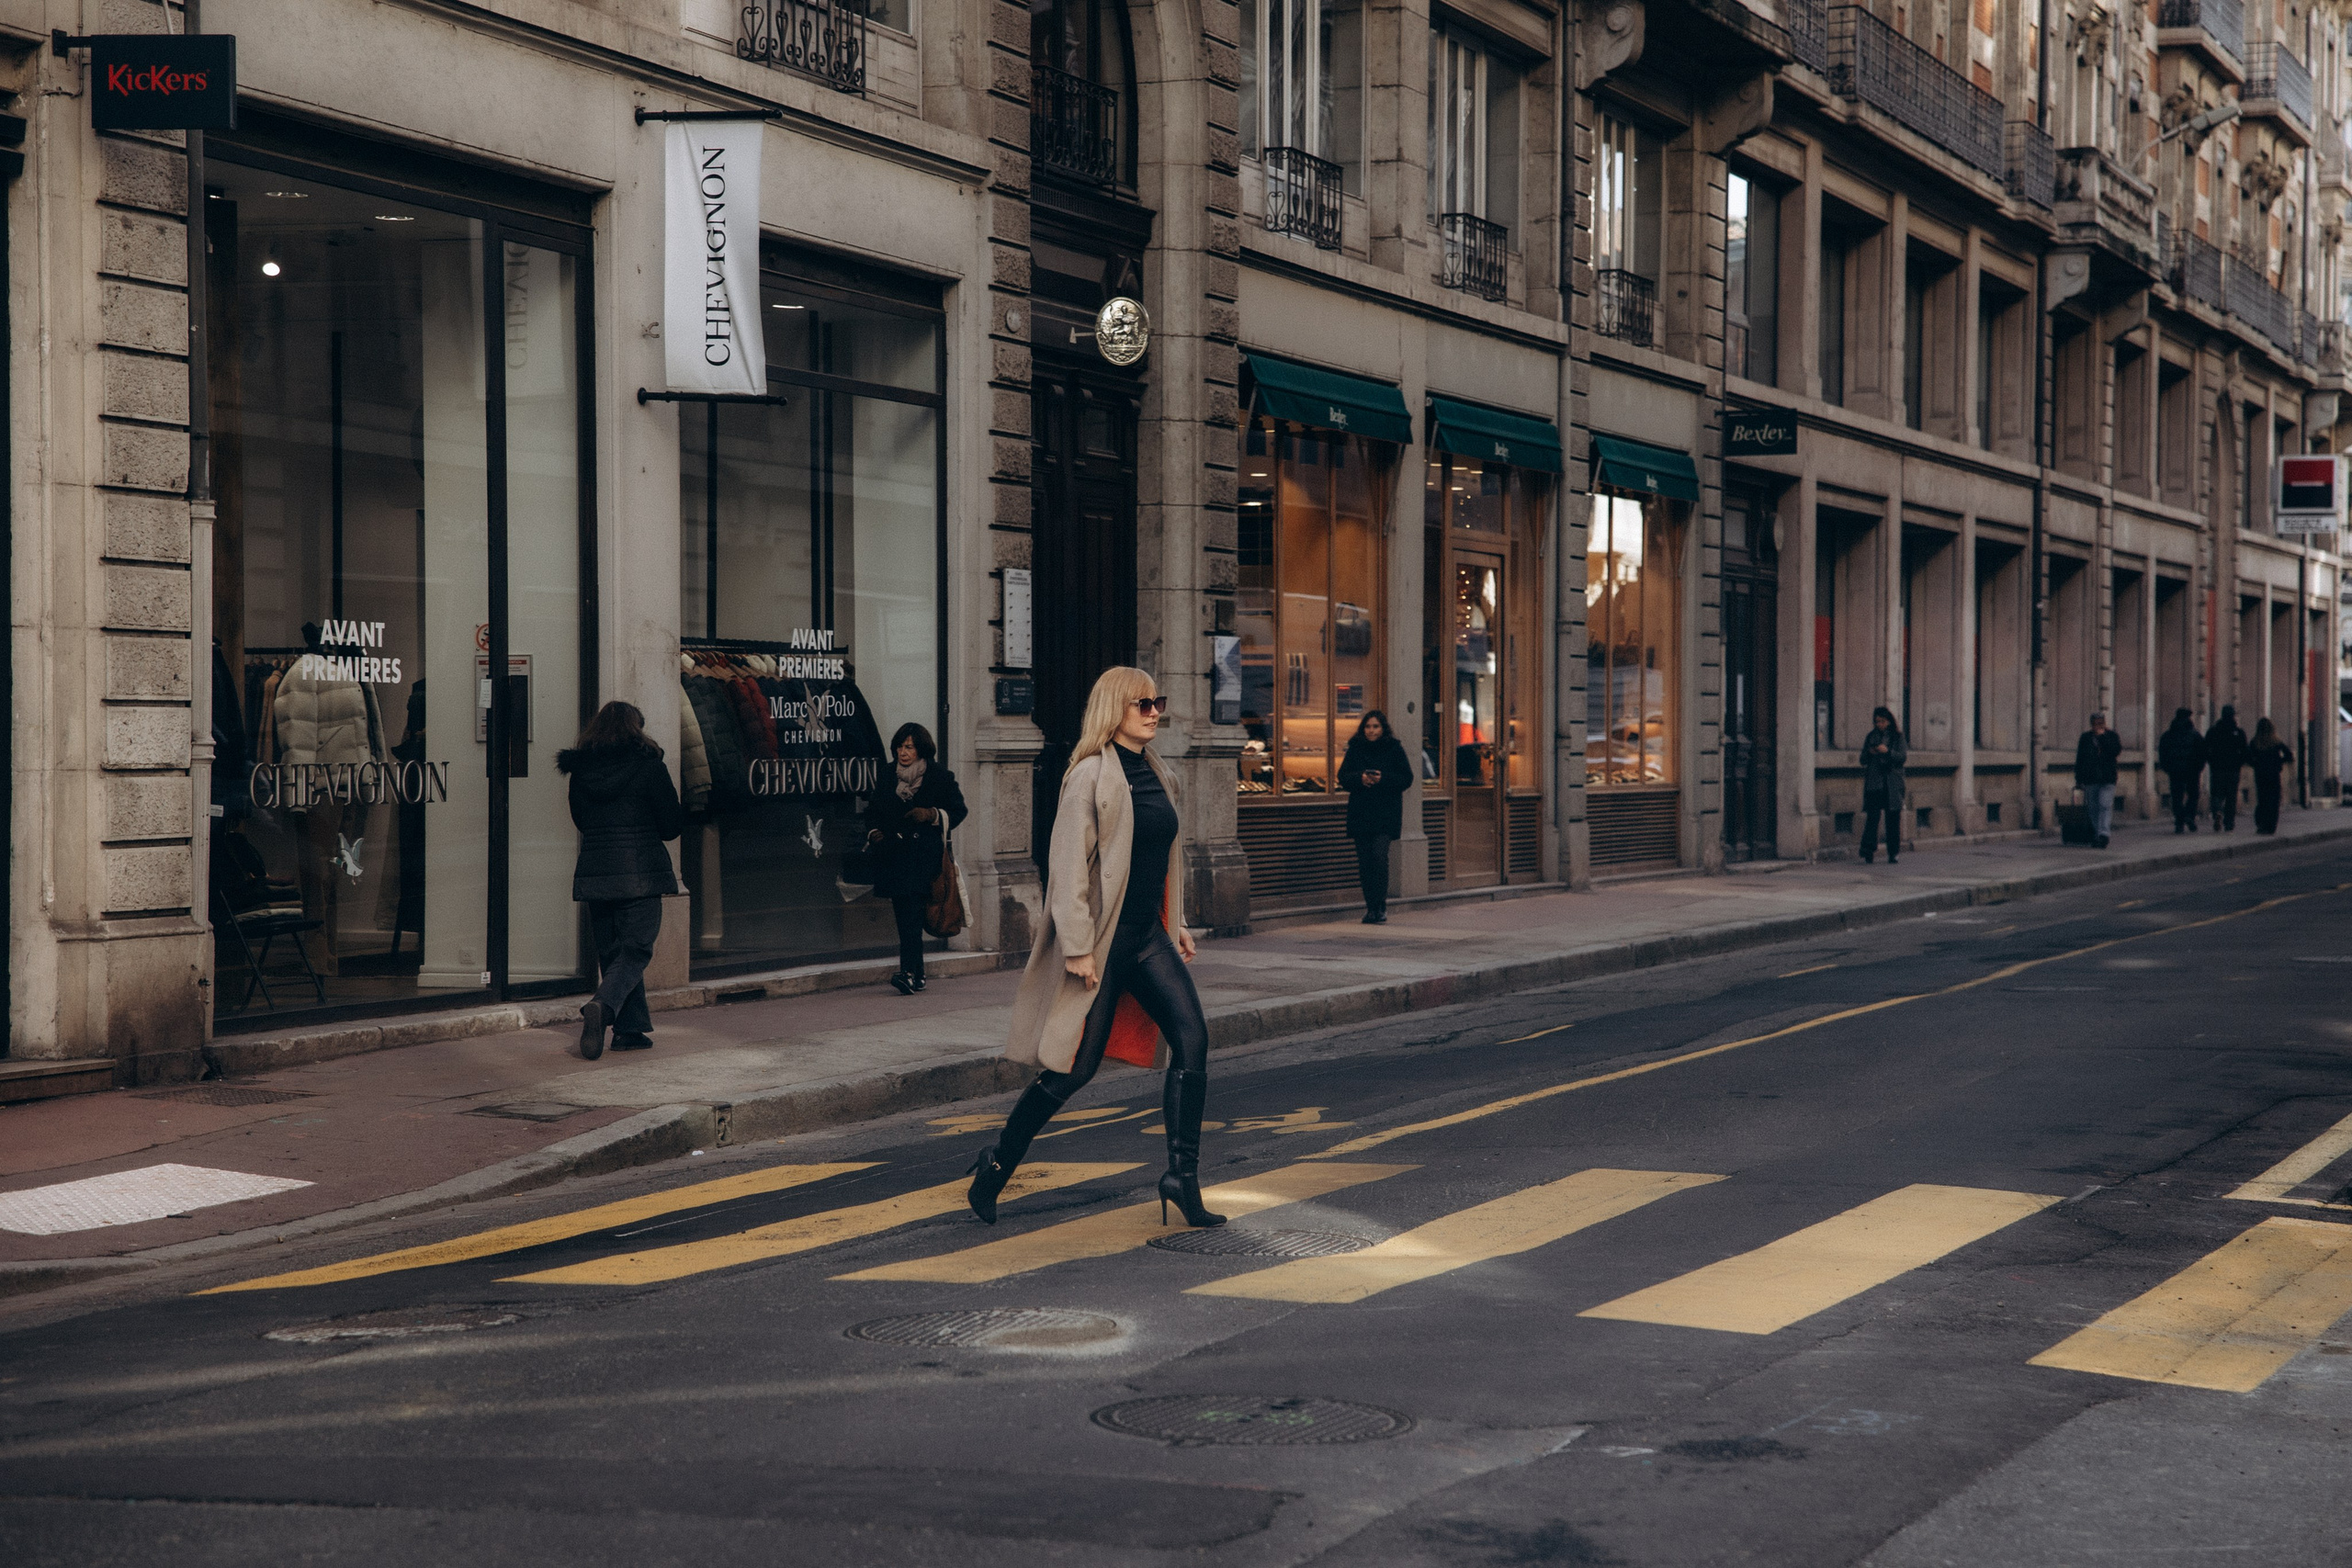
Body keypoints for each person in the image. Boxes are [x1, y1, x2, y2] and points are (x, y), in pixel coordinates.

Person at [975, 667, 1225, 1230]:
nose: (1155, 711)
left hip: (1148, 937)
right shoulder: (1089, 776)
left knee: (1192, 1041)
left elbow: (1163, 856)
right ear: (1115, 709)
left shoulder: (1156, 772)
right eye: (1143, 704)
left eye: (1157, 701)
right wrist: (1078, 947)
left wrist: (1176, 919)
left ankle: (1181, 1178)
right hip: (1105, 945)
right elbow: (1066, 868)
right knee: (1073, 1069)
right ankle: (995, 1163)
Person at [560, 701, 685, 1059]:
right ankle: (603, 1005)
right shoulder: (648, 766)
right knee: (635, 951)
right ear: (636, 728)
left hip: (597, 873)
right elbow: (671, 826)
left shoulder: (581, 771)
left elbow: (581, 820)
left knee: (614, 953)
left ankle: (629, 1031)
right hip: (641, 873)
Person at [864, 722, 967, 996]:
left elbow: (959, 810)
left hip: (924, 858)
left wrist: (932, 814)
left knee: (911, 916)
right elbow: (872, 810)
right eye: (899, 746)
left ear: (921, 749)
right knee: (905, 918)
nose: (903, 752)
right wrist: (874, 833)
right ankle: (917, 975)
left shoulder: (939, 776)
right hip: (894, 856)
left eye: (909, 746)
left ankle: (909, 973)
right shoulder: (887, 775)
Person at [1338, 710, 1411, 924]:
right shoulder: (1356, 747)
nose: (1371, 731)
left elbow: (1406, 778)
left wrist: (1383, 779)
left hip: (1385, 813)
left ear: (1383, 728)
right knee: (1364, 861)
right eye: (1368, 727)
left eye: (1375, 727)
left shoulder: (1394, 748)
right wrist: (1360, 778)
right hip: (1361, 812)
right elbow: (1343, 776)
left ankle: (1380, 906)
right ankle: (1370, 907)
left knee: (1379, 858)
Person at [1858, 706, 1906, 864]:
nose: (1879, 724)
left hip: (1892, 783)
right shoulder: (1871, 737)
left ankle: (1893, 852)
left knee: (1892, 819)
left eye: (1882, 721)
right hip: (1875, 783)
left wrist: (1887, 752)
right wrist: (1870, 752)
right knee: (1872, 818)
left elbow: (1902, 757)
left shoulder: (1897, 737)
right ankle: (1868, 850)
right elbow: (1862, 759)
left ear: (1889, 721)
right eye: (1877, 721)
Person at [2073, 711, 2122, 849]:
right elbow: (2080, 758)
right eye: (2096, 723)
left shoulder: (2111, 736)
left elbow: (2115, 751)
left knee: (2105, 805)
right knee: (2093, 808)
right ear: (2092, 724)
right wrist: (2078, 777)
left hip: (2108, 778)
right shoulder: (2086, 738)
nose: (2098, 726)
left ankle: (2104, 834)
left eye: (2101, 723)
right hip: (2091, 778)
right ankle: (2097, 833)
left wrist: (2103, 738)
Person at [2156, 707, 2204, 834]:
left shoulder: (2169, 734)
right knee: (2193, 794)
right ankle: (2189, 815)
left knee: (2177, 797)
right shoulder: (2194, 734)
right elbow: (2202, 753)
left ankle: (2179, 822)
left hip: (2175, 771)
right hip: (2192, 771)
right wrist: (2199, 768)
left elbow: (2163, 753)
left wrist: (2167, 767)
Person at [2247, 716, 2295, 835]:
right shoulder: (2276, 742)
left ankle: (2261, 824)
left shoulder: (2255, 742)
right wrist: (2279, 761)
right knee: (2273, 801)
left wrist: (2256, 764)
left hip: (2260, 775)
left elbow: (2247, 757)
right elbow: (2289, 755)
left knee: (2262, 800)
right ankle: (2270, 826)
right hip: (2274, 775)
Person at [2205, 705, 2248, 831]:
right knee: (2231, 797)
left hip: (2217, 769)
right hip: (2233, 770)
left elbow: (2206, 749)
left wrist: (2212, 762)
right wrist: (2238, 763)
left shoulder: (2213, 731)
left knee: (2216, 794)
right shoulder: (2238, 732)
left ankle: (2217, 811)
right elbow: (2245, 752)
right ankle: (2229, 822)